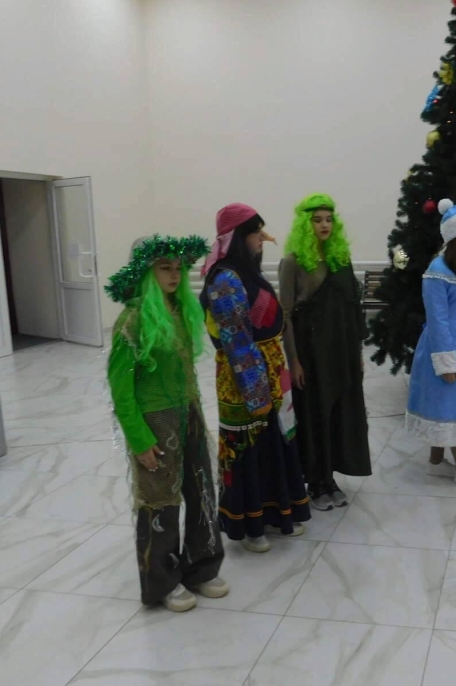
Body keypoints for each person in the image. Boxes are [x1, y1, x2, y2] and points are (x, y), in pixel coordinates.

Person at [106, 235, 227, 613]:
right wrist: (139, 439)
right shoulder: (131, 320)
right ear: (146, 272)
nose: (174, 275)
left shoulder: (181, 310)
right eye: (164, 268)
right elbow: (121, 388)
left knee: (202, 489)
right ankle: (163, 580)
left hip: (189, 414)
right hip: (155, 422)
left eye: (178, 269)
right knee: (160, 501)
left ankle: (202, 567)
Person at [201, 203, 311, 554]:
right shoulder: (225, 279)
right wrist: (256, 392)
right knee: (249, 449)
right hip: (243, 379)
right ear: (237, 237)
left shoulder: (248, 273)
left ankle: (278, 514)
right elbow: (237, 342)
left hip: (270, 369)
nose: (262, 237)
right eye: (255, 232)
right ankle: (251, 526)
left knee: (274, 443)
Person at [279, 193, 371, 511]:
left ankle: (329, 478)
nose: (324, 225)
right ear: (306, 224)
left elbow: (352, 308)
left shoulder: (339, 259)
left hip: (340, 351)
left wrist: (357, 352)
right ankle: (315, 482)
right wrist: (294, 361)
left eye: (329, 219)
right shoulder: (292, 262)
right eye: (317, 220)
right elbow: (285, 315)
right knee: (314, 415)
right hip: (310, 353)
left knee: (338, 414)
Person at [406, 198, 456, 495]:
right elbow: (437, 319)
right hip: (446, 349)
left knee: (450, 403)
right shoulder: (437, 271)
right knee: (453, 406)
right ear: (453, 236)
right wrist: (446, 362)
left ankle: (436, 458)